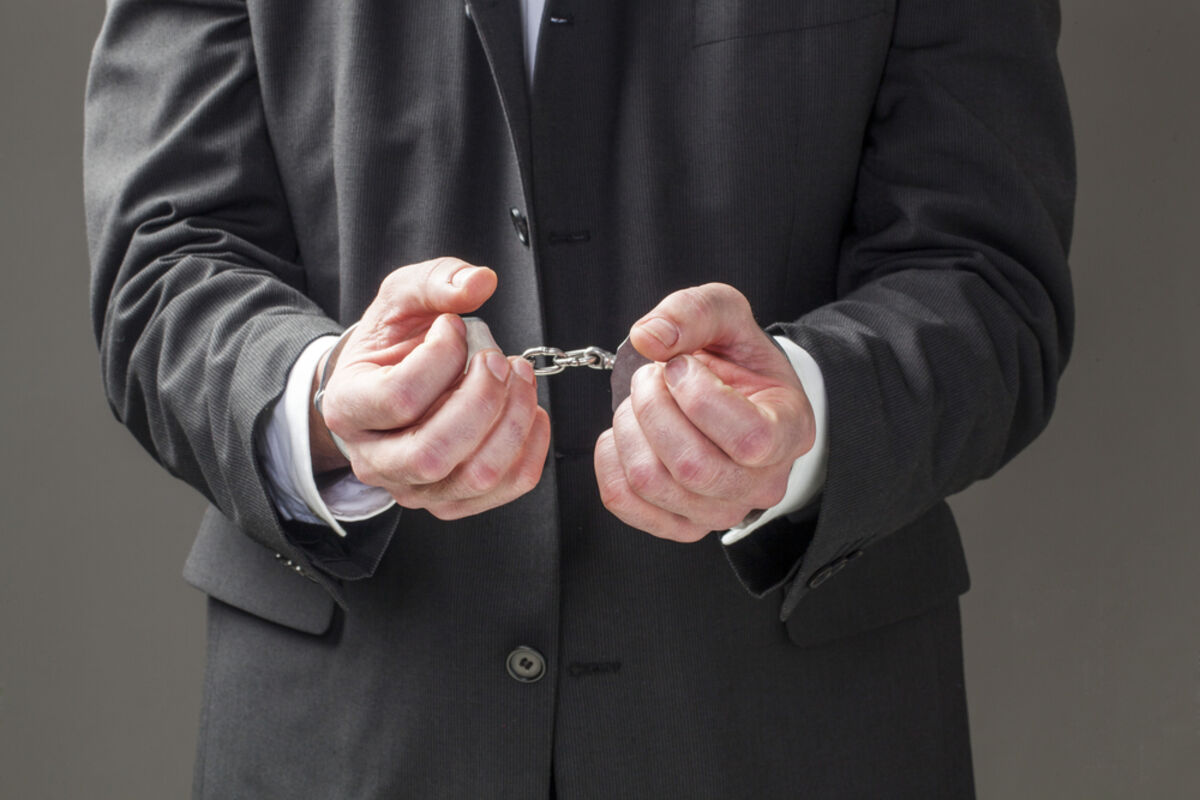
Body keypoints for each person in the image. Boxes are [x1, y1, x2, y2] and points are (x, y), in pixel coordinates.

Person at [84, 0, 1075, 796]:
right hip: (348, 739)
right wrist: (321, 403)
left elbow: (988, 278)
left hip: (789, 740)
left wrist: (805, 411)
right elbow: (162, 266)